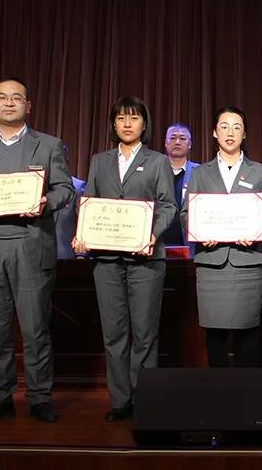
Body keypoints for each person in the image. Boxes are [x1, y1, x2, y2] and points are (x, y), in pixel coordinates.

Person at [0, 77, 74, 423]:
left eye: (16, 98)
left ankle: (39, 397)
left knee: (35, 329)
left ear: (28, 106)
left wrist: (44, 202)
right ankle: (0, 397)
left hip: (31, 245)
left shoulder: (48, 144)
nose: (9, 103)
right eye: (2, 98)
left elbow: (65, 189)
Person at [71, 96, 176, 423]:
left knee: (145, 334)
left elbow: (168, 205)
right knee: (114, 334)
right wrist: (82, 233)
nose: (127, 124)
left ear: (144, 124)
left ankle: (145, 399)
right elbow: (89, 202)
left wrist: (152, 234)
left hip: (146, 260)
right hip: (106, 261)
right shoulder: (99, 161)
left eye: (134, 118)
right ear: (113, 124)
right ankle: (120, 401)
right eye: (121, 118)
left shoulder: (158, 161)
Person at [180, 106, 262, 367]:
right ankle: (219, 389)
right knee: (214, 334)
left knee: (248, 333)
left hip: (247, 263)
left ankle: (246, 390)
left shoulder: (260, 172)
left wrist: (258, 232)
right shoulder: (200, 173)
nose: (230, 132)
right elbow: (185, 213)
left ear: (244, 134)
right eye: (224, 126)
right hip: (211, 263)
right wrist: (199, 233)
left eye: (237, 127)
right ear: (215, 132)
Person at [162, 123, 200, 246]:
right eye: (173, 138)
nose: (177, 142)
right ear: (165, 143)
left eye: (183, 138)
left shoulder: (200, 172)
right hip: (159, 241)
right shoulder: (155, 171)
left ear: (190, 144)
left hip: (190, 242)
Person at [54, 142, 86, 260]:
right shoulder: (34, 184)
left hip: (65, 255)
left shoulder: (78, 187)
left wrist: (81, 255)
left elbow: (83, 221)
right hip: (33, 256)